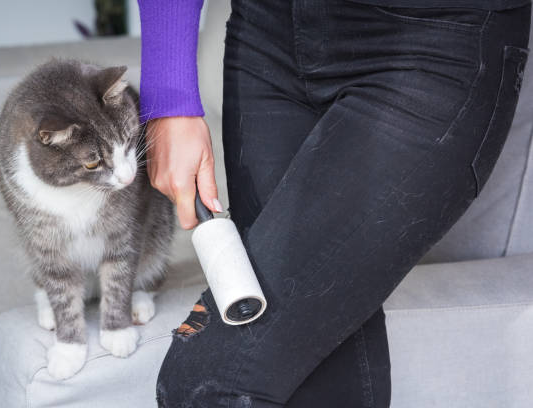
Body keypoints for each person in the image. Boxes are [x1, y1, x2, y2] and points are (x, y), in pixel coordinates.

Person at [137, 0, 531, 406]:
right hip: (265, 35)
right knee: (315, 382)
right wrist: (168, 97)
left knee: (209, 380)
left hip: (431, 41)